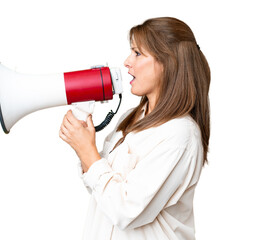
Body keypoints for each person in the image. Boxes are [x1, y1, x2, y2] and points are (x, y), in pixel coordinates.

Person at [59, 17, 210, 240]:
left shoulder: (180, 135)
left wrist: (88, 152)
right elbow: (102, 193)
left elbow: (126, 212)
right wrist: (82, 146)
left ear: (169, 63)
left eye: (138, 53)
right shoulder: (132, 118)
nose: (127, 62)